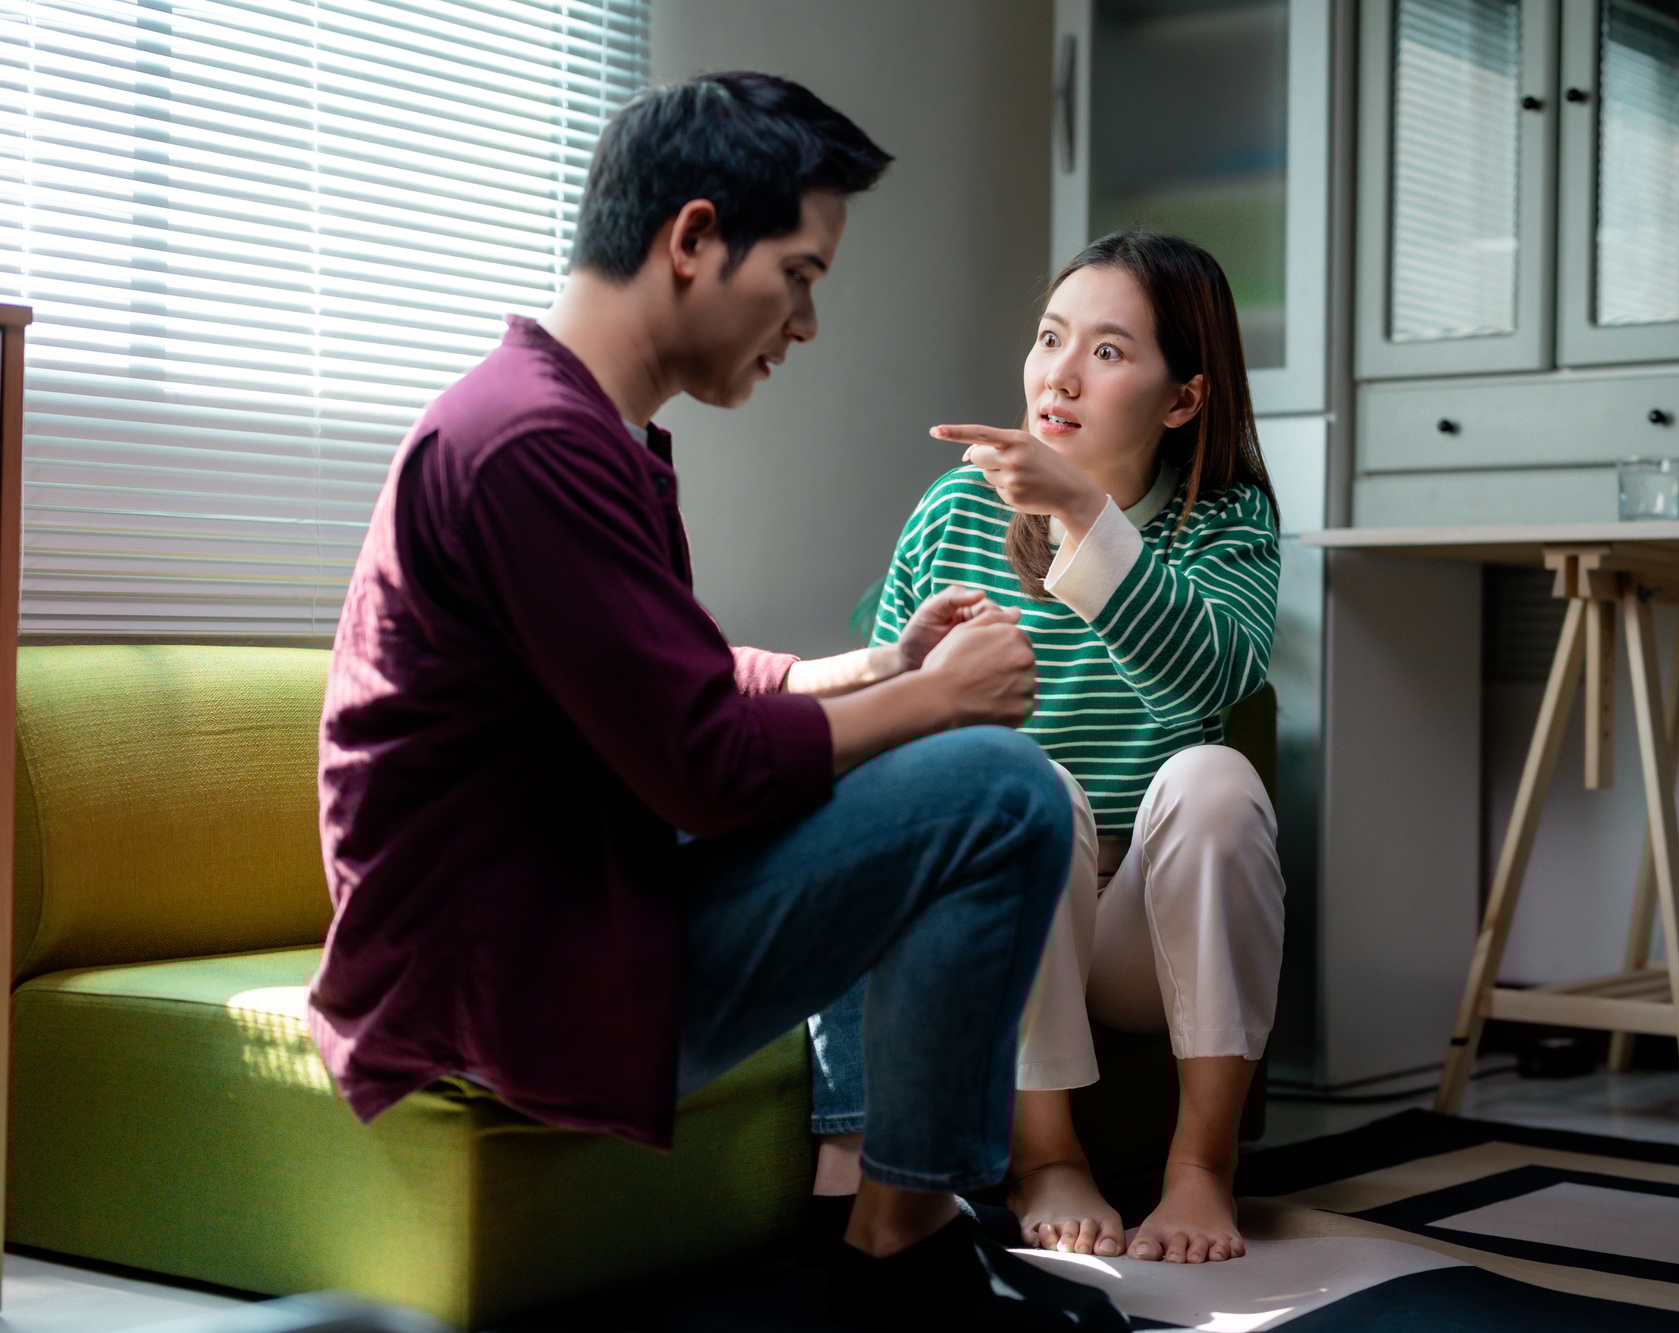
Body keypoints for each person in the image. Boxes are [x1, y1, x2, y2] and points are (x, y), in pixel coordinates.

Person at [310, 73, 1127, 1332]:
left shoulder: (561, 424)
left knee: (911, 766)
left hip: (553, 915)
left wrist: (876, 669)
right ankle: (902, 1250)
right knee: (1001, 793)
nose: (806, 322)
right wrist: (940, 702)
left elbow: (667, 680)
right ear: (693, 238)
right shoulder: (532, 444)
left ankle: (889, 1221)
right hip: (512, 977)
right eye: (797, 276)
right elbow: (702, 763)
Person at [811, 232, 1286, 1266]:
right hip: (1020, 905)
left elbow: (1212, 679)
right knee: (1028, 784)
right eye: (1049, 338)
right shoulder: (954, 510)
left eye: (1107, 351)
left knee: (1215, 777)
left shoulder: (1225, 518)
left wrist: (1079, 507)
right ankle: (1047, 1157)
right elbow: (885, 733)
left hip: (1147, 924)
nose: (1058, 375)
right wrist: (917, 671)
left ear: (1182, 400)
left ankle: (1201, 1168)